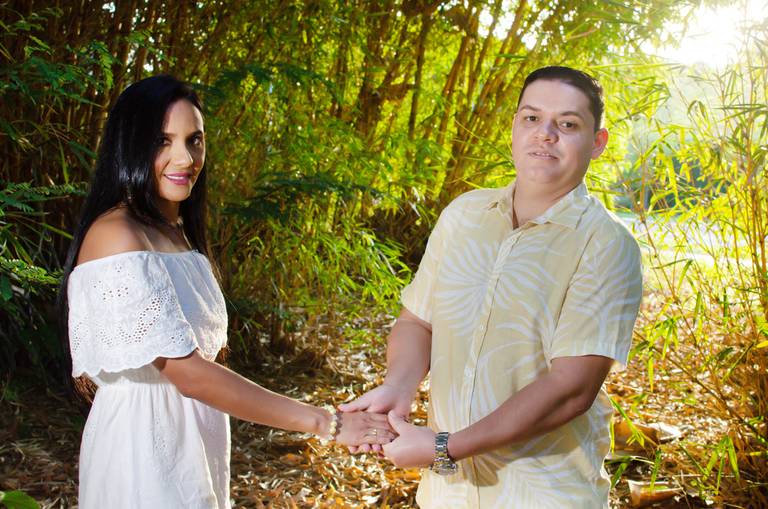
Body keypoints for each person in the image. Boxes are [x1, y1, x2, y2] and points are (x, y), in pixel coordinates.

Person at [58, 75, 394, 509]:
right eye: (163, 141)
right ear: (130, 146)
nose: (185, 158)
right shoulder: (117, 234)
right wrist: (327, 423)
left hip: (191, 446)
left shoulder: (176, 232)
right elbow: (191, 375)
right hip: (142, 453)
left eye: (194, 140)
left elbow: (205, 367)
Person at [340, 66, 644, 508]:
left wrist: (444, 447)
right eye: (532, 118)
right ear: (514, 127)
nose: (545, 134)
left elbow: (571, 390)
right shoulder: (464, 214)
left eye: (567, 124)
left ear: (597, 143)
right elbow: (417, 321)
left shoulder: (605, 243)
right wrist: (399, 386)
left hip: (543, 494)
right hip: (449, 495)